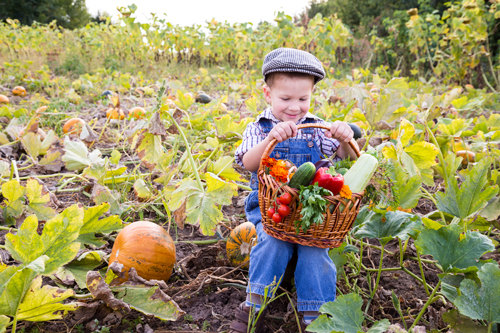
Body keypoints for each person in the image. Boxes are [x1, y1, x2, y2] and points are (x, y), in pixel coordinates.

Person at [230, 48, 358, 333]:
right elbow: (249, 163)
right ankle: (254, 304)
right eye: (285, 99)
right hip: (272, 210)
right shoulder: (260, 127)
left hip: (310, 216)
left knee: (315, 252)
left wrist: (344, 137)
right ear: (268, 94)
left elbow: (347, 158)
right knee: (272, 242)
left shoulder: (317, 128)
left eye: (303, 99)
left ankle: (318, 316)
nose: (294, 107)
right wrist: (270, 140)